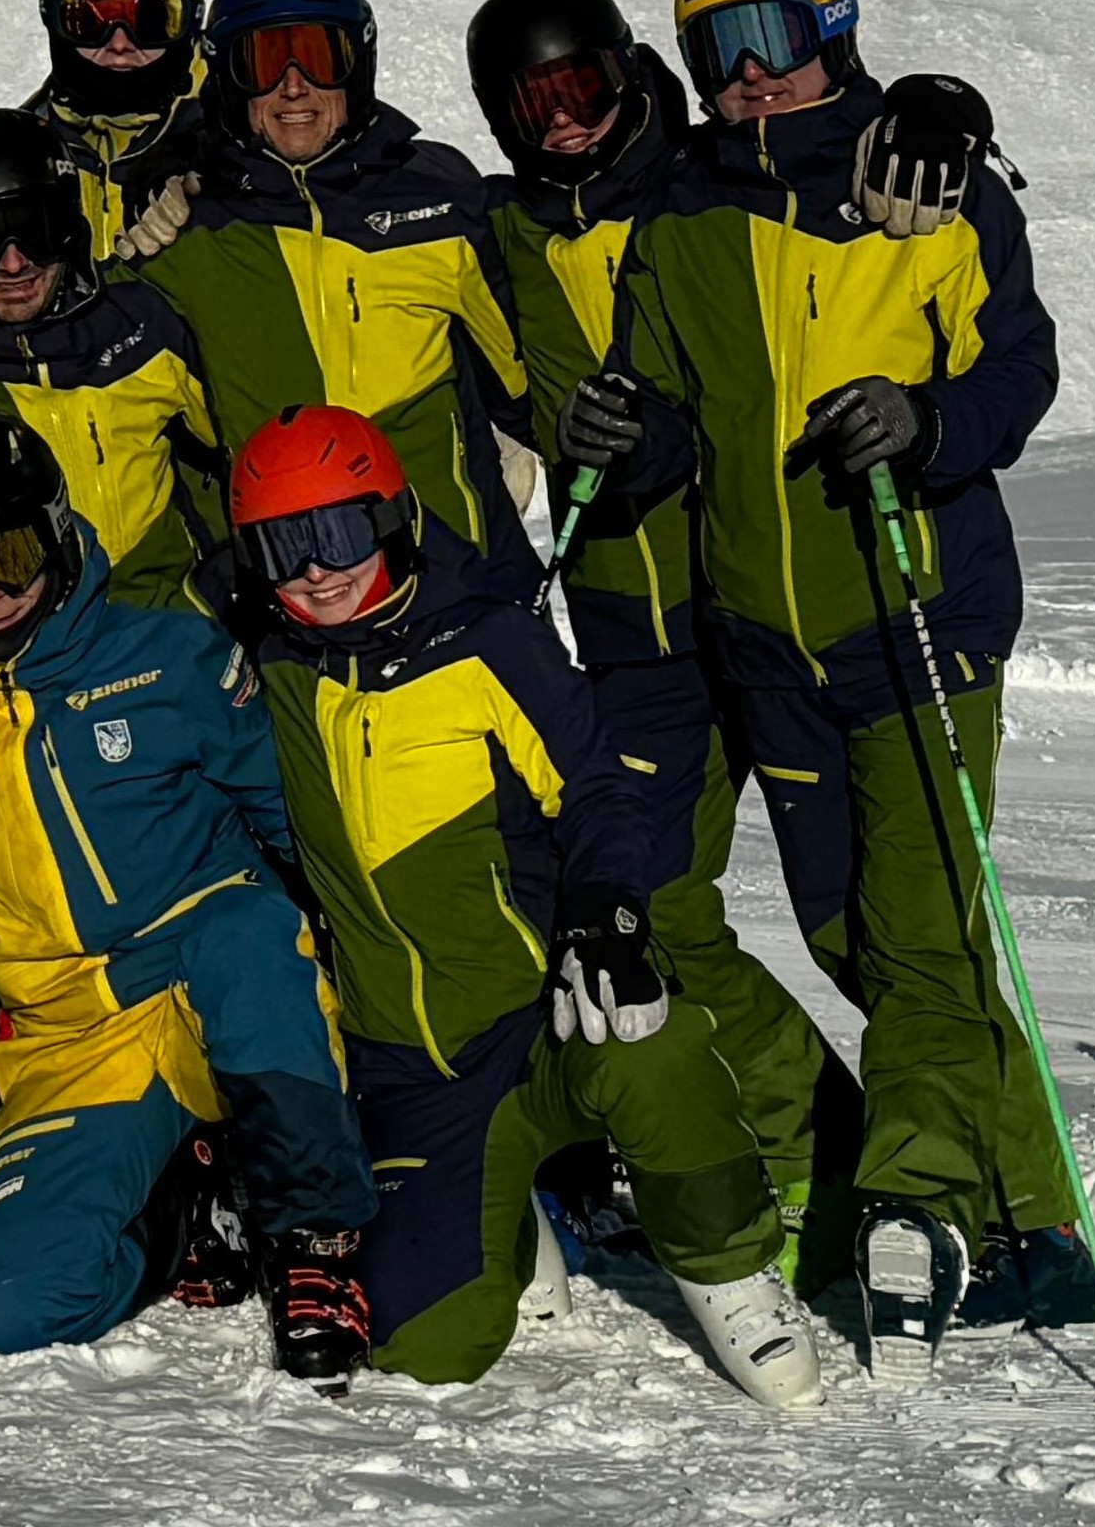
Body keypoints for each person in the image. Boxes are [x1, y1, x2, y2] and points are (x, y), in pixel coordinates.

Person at [615, 0, 1075, 1379]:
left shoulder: (924, 183)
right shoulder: (682, 208)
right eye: (718, 50)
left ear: (838, 31)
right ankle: (1032, 1218)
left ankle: (917, 1202)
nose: (751, 77)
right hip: (765, 637)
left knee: (925, 942)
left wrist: (928, 421)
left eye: (778, 39)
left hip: (915, 612)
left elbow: (1016, 367)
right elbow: (669, 399)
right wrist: (625, 435)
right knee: (848, 938)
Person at [225, 406, 819, 1405]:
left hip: (537, 1022)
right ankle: (505, 1217)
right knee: (422, 1345)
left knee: (651, 1047)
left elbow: (597, 789)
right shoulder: (268, 666)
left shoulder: (488, 640)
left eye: (337, 533)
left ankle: (731, 1271)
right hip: (408, 1066)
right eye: (282, 547)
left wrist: (605, 915)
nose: (316, 570)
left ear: (392, 518)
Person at [464, 0, 860, 1273]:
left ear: (631, 72)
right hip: (632, 627)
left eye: (582, 86)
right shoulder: (500, 232)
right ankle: (815, 1152)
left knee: (866, 924)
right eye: (529, 104)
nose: (564, 120)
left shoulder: (712, 176)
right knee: (655, 906)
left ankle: (994, 1186)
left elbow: (833, 147)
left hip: (766, 599)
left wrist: (935, 105)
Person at [0, 409, 376, 1381]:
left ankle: (313, 1242)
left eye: (9, 555)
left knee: (246, 934)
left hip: (212, 975)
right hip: (73, 1033)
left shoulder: (170, 656)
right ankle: (185, 1202)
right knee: (13, 1303)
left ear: (54, 533)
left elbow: (296, 824)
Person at [138, 0, 535, 576]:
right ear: (228, 80)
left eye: (321, 58)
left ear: (360, 65)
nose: (294, 86)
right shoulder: (185, 234)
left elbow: (522, 379)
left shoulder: (440, 197)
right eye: (264, 63)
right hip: (294, 580)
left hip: (451, 567)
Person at [0, 110, 224, 614]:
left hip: (162, 629)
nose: (13, 264)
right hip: (15, 643)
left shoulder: (140, 322)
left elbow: (234, 453)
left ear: (70, 223)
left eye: (35, 229)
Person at [25, 0, 209, 265]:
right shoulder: (22, 150)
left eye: (151, 21)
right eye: (88, 22)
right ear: (51, 20)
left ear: (191, 22)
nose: (120, 44)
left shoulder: (243, 132)